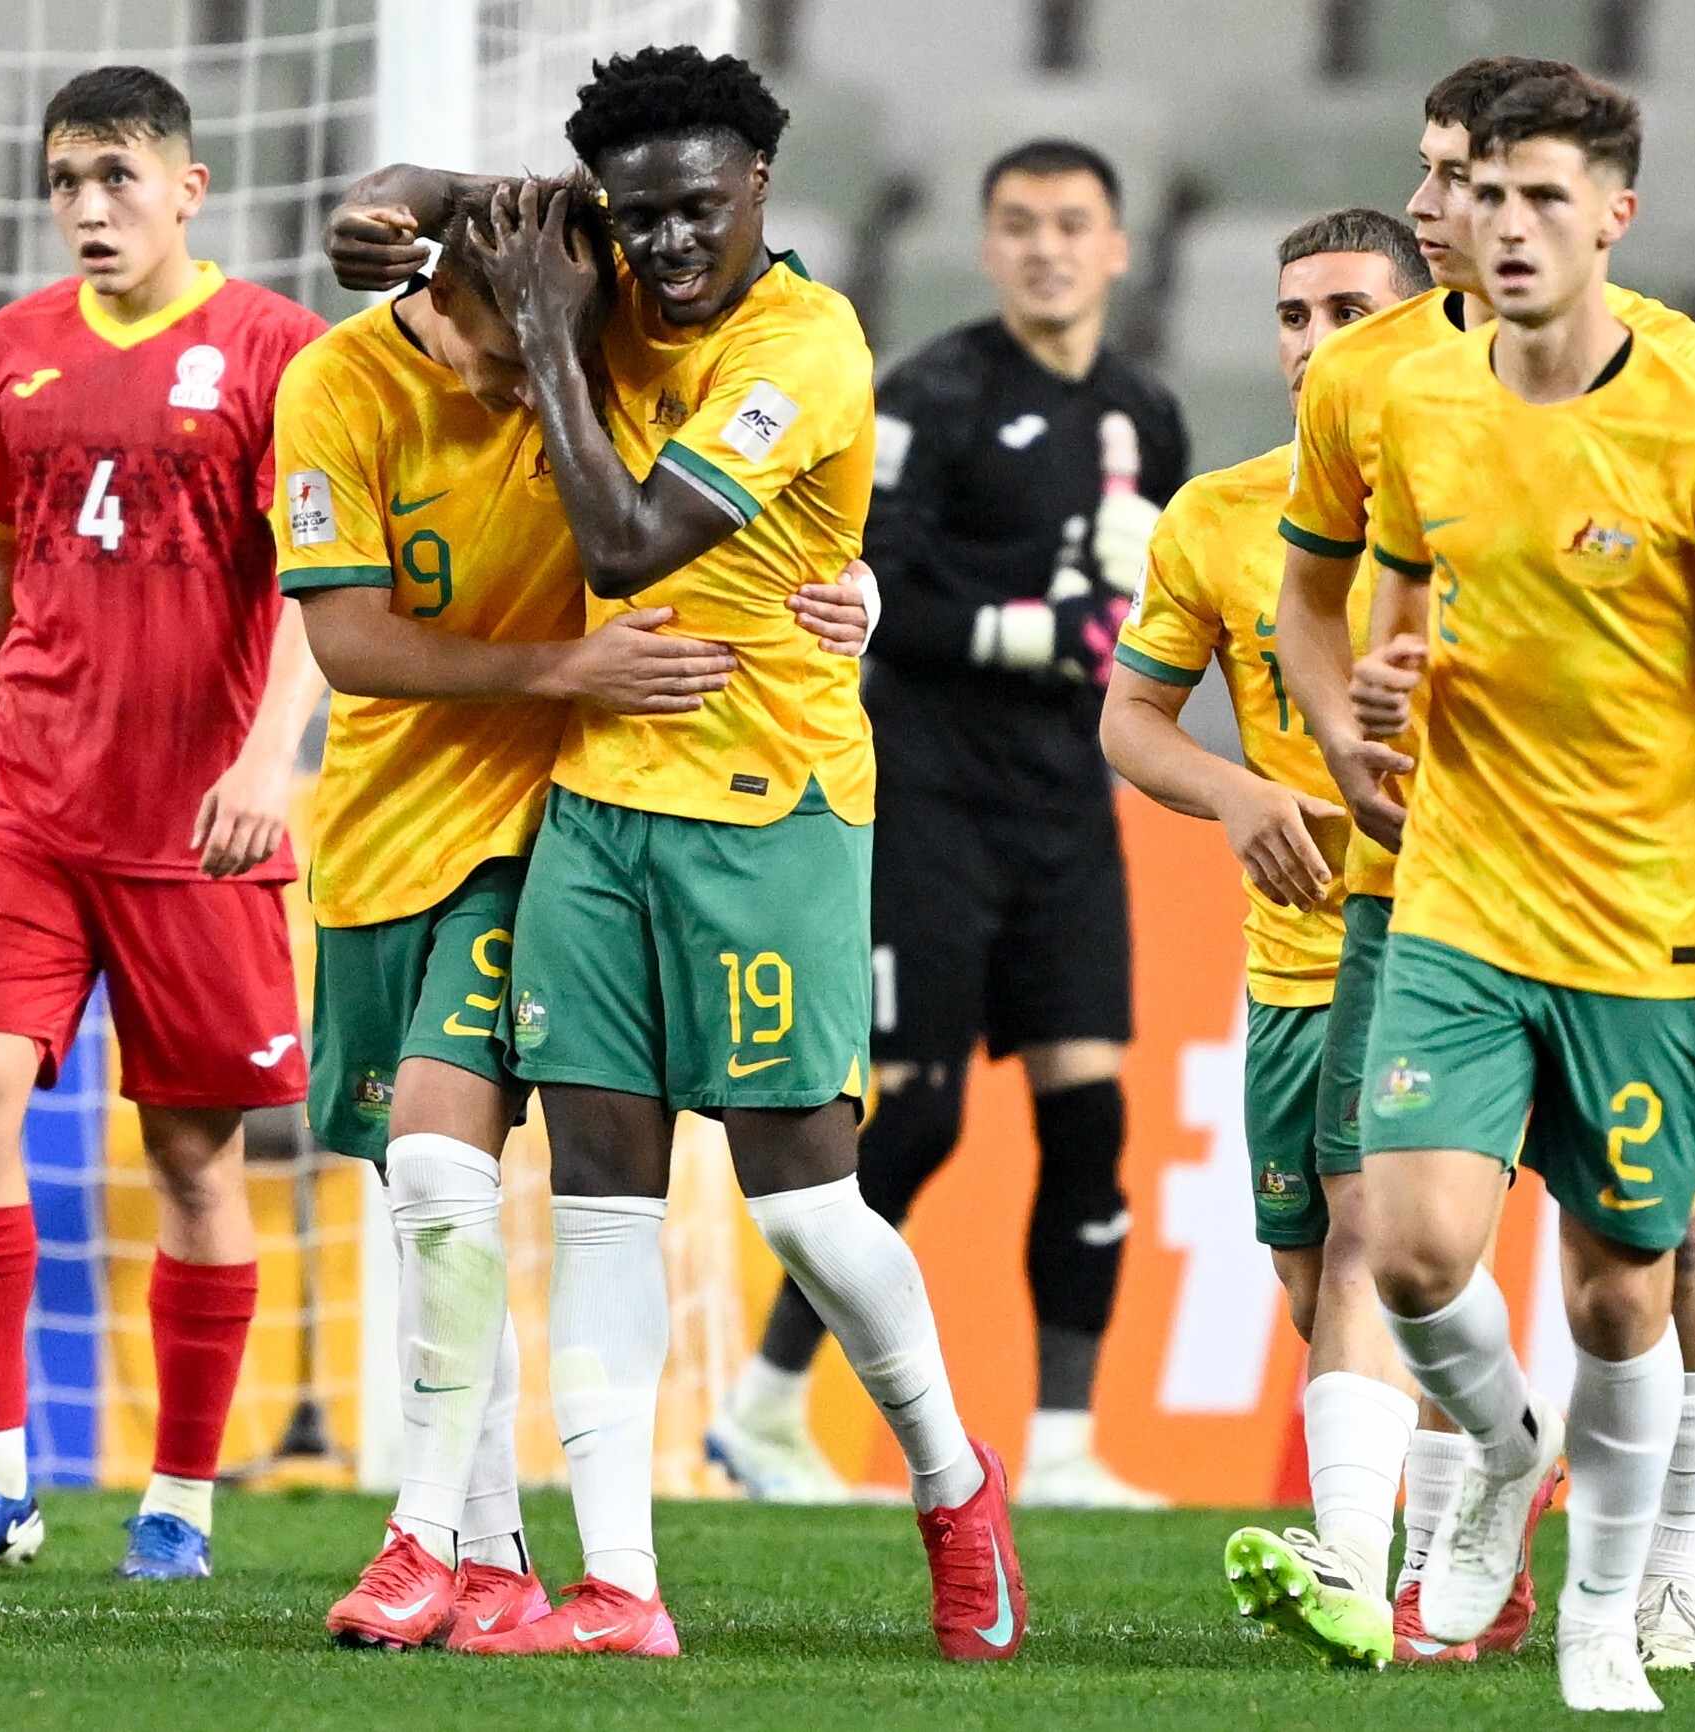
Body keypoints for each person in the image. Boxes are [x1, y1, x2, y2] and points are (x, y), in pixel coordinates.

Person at [327, 46, 1023, 1660]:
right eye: (635, 218)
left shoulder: (803, 348)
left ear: (761, 186)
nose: (666, 246)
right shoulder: (606, 246)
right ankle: (620, 1586)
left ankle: (951, 1477)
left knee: (803, 1206)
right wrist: (389, 207)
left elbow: (629, 542)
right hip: (593, 804)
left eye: (698, 209)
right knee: (600, 1200)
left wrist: (553, 339)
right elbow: (449, 204)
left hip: (770, 807)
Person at [285, 174, 873, 1650]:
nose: (524, 385)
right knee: (425, 1203)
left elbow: (774, 476)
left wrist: (859, 581)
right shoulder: (334, 387)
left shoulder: (587, 339)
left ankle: (419, 1537)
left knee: (442, 1166)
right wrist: (391, 193)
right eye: (500, 351)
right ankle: (489, 1557)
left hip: (547, 828)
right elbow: (349, 645)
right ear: (436, 288)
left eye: (539, 348)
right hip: (378, 834)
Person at [1337, 67, 1695, 1712]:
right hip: (1460, 905)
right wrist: (1380, 700)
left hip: (1638, 928)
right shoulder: (1419, 406)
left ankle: (1606, 1618)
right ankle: (1504, 1446)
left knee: (1622, 1295)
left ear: (1616, 216)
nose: (1510, 224)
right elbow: (1395, 618)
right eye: (1488, 195)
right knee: (1411, 1255)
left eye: (1547, 196)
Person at [0, 65, 327, 1584]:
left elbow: (318, 587)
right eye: (66, 180)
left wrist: (269, 765)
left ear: (188, 188)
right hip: (27, 802)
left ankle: (179, 1503)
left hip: (199, 824)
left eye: (116, 177)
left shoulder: (278, 348)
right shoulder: (15, 347)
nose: (87, 206)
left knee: (194, 1161)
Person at [706, 138, 1188, 1511]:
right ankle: (763, 1409)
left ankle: (1066, 1446)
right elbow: (865, 598)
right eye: (1020, 224)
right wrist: (1031, 630)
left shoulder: (1148, 416)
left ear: (1117, 249)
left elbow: (1137, 612)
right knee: (914, 1120)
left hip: (1069, 806)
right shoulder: (932, 393)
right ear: (986, 247)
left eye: (1073, 224)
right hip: (925, 798)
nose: (1047, 249)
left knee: (1089, 1119)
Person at [1102, 208, 1428, 1668]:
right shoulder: (1218, 517)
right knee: (1321, 1283)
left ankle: (1353, 1565)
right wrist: (1236, 792)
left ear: (1420, 323)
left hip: (1445, 942)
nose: (1316, 342)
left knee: (1372, 1240)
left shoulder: (1481, 495)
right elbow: (1131, 720)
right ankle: (1505, 1464)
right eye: (1296, 315)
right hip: (1292, 957)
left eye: (1350, 311)